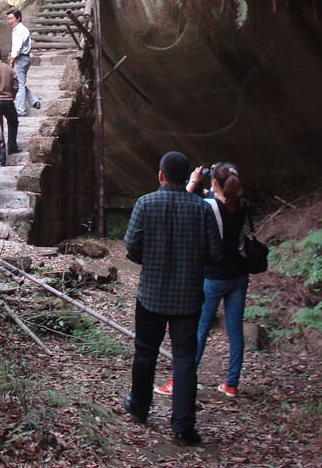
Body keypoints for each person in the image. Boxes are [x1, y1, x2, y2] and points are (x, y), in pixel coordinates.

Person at [123, 151, 222, 447]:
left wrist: (148, 260)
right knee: (184, 361)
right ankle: (183, 427)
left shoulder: (145, 203)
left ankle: (140, 408)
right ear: (187, 177)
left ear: (161, 175)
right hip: (188, 297)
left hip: (151, 294)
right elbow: (215, 252)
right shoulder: (202, 209)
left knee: (145, 352)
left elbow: (132, 245)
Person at [154, 162, 251, 400]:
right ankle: (231, 384)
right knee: (235, 330)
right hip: (239, 274)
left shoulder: (207, 205)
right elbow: (230, 214)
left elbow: (180, 202)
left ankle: (180, 382)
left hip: (214, 275)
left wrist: (194, 180)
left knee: (198, 330)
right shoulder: (243, 205)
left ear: (214, 181)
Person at [7, 9, 41, 117]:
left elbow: (17, 48)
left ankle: (20, 111)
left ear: (18, 18)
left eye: (11, 18)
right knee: (19, 83)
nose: (9, 21)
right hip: (24, 58)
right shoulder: (19, 29)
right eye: (8, 19)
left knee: (19, 85)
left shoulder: (19, 30)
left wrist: (11, 62)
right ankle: (34, 101)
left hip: (20, 59)